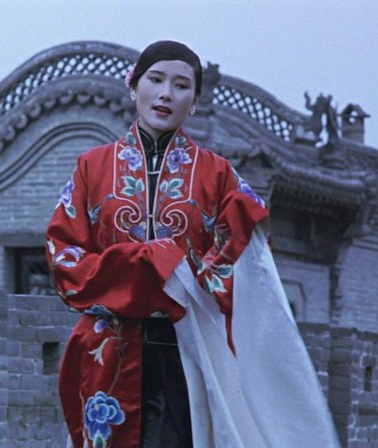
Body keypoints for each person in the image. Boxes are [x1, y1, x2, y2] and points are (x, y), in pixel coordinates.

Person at [46, 40, 338, 448]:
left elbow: (247, 261)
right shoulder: (91, 167)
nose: (166, 94)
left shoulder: (217, 175)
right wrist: (147, 265)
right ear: (133, 86)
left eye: (181, 85)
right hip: (107, 353)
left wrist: (190, 279)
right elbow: (65, 260)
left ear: (195, 100)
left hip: (188, 355)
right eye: (156, 80)